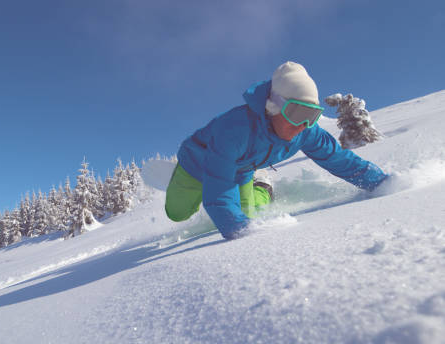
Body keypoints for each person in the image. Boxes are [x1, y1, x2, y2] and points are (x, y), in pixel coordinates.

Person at [165, 61, 388, 240]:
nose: (303, 124)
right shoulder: (234, 129)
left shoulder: (305, 132)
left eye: (311, 115)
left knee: (249, 214)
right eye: (296, 112)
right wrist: (240, 231)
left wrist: (382, 183)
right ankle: (178, 180)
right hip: (196, 164)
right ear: (273, 106)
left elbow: (339, 159)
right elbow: (219, 192)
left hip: (242, 169)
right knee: (177, 213)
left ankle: (262, 188)